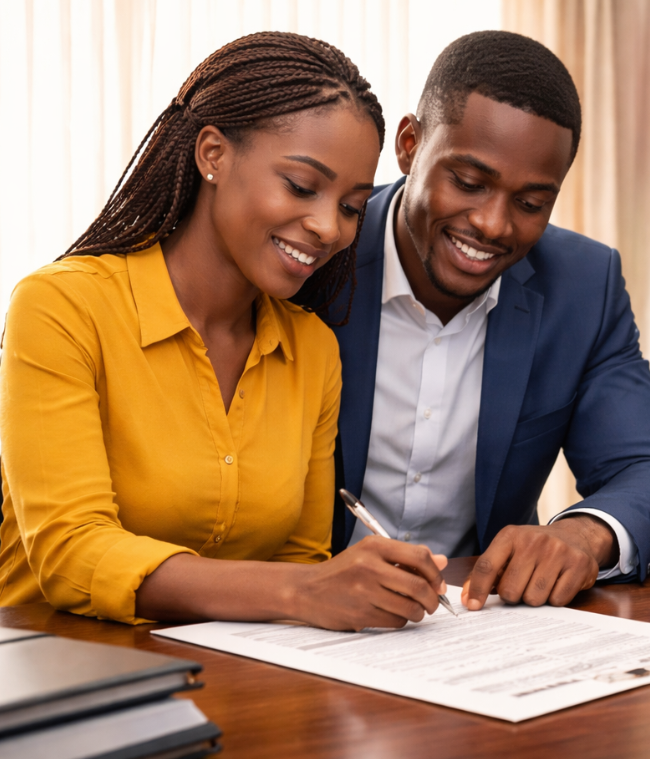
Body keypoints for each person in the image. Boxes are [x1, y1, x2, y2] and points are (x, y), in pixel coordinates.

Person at [0, 32, 452, 630]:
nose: (329, 227)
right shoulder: (61, 308)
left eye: (351, 206)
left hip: (232, 672)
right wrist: (301, 592)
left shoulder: (313, 349)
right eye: (301, 186)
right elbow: (70, 552)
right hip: (61, 667)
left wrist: (331, 591)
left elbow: (300, 557)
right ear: (212, 153)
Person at [318, 31, 650, 611]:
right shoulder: (319, 252)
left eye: (530, 204)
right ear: (410, 146)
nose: (493, 224)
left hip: (478, 622)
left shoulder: (581, 286)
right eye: (469, 183)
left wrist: (582, 534)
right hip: (304, 619)